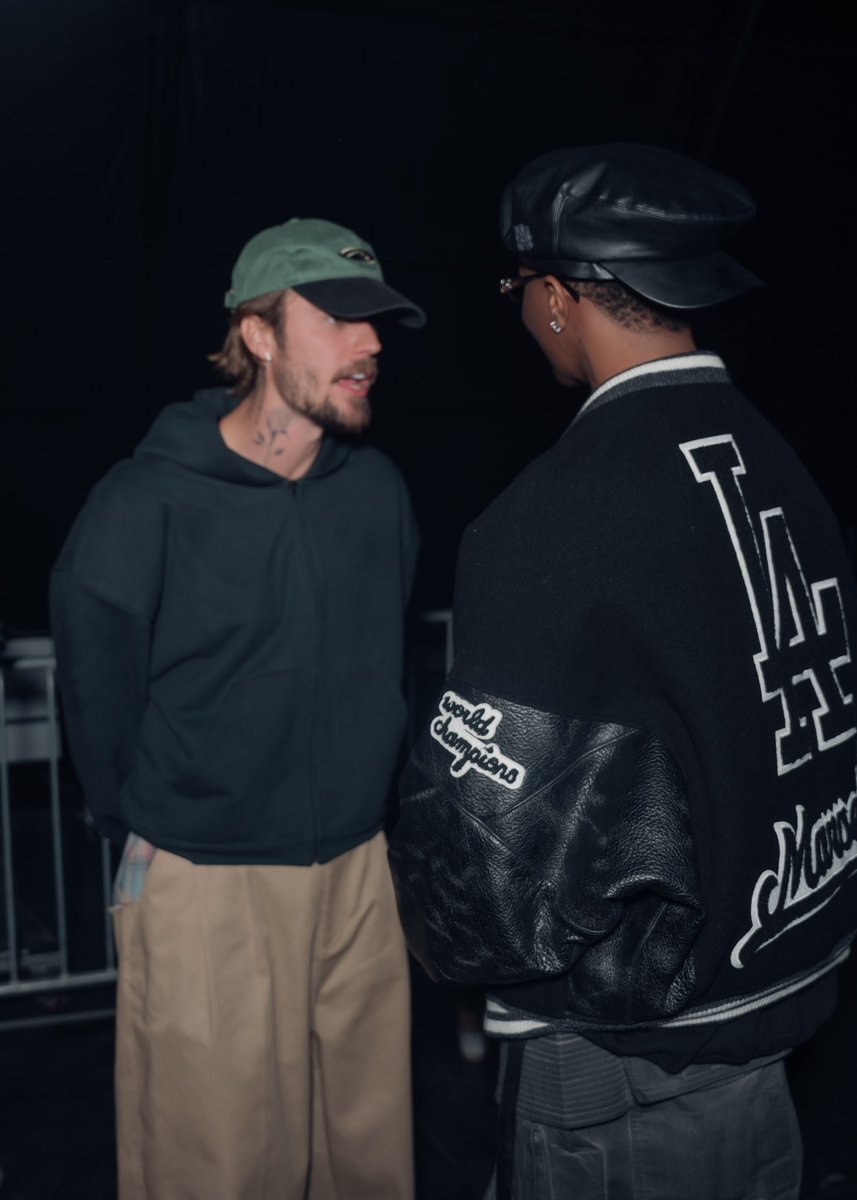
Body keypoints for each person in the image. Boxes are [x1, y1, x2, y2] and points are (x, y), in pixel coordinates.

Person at [388, 144, 857, 1200]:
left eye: (519, 292)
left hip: (623, 1077)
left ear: (557, 298)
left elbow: (484, 865)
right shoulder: (785, 469)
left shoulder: (550, 517)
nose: (521, 316)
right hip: (770, 1043)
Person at [50, 217, 425, 1200]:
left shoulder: (377, 493)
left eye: (375, 320)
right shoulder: (142, 504)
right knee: (216, 1170)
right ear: (255, 334)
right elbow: (98, 698)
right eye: (338, 316)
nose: (370, 343)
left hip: (356, 873)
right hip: (207, 877)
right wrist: (148, 837)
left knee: (368, 1163)